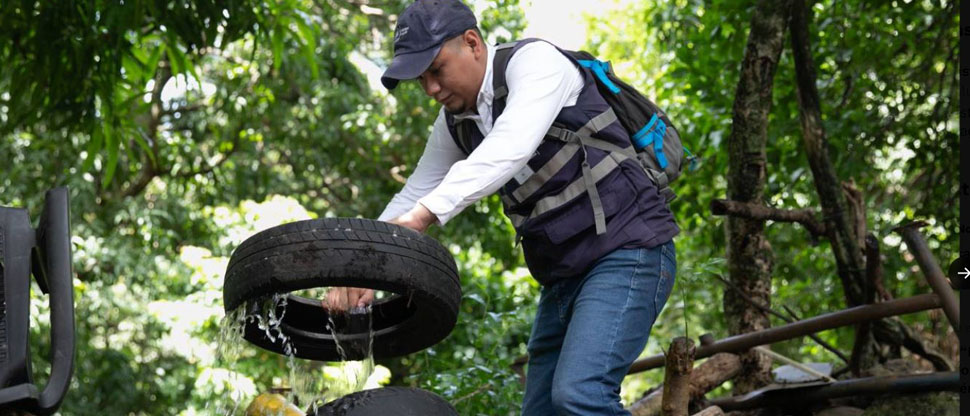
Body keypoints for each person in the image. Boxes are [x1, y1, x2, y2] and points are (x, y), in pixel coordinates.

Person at [327, 1, 679, 414]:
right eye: (420, 80)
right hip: (563, 276)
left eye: (436, 70)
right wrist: (358, 268)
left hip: (629, 252)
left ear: (472, 43)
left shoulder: (536, 63)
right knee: (542, 411)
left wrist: (420, 219)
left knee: (580, 397)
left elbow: (507, 151)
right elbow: (412, 195)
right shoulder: (456, 124)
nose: (431, 90)